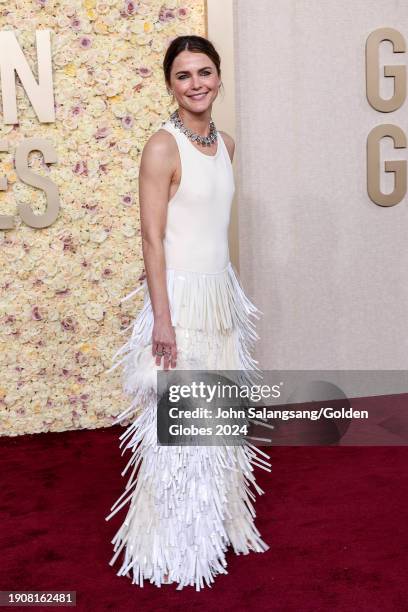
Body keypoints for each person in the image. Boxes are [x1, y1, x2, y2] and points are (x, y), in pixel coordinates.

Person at [105, 34, 271, 591]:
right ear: (169, 84)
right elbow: (152, 240)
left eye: (205, 72)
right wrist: (163, 320)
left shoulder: (226, 142)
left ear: (218, 77)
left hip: (220, 297)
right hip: (178, 302)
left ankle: (218, 524)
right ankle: (173, 541)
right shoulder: (161, 146)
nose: (196, 83)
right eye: (183, 75)